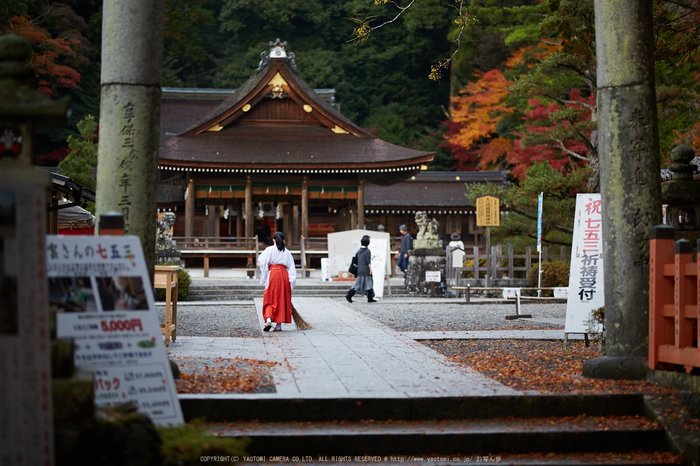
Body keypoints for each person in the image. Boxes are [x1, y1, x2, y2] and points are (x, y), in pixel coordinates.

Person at [258, 231, 296, 331]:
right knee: (281, 299)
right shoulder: (287, 252)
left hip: (273, 274)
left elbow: (262, 262)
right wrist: (291, 283)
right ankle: (278, 326)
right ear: (284, 241)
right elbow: (291, 268)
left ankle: (269, 319)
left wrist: (264, 277)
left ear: (273, 240)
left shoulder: (269, 250)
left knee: (269, 298)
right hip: (284, 275)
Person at [345, 235, 376, 303]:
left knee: (358, 284)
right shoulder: (367, 251)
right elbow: (368, 262)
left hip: (360, 270)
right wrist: (371, 270)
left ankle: (350, 295)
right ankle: (369, 298)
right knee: (368, 284)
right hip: (366, 270)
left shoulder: (359, 250)